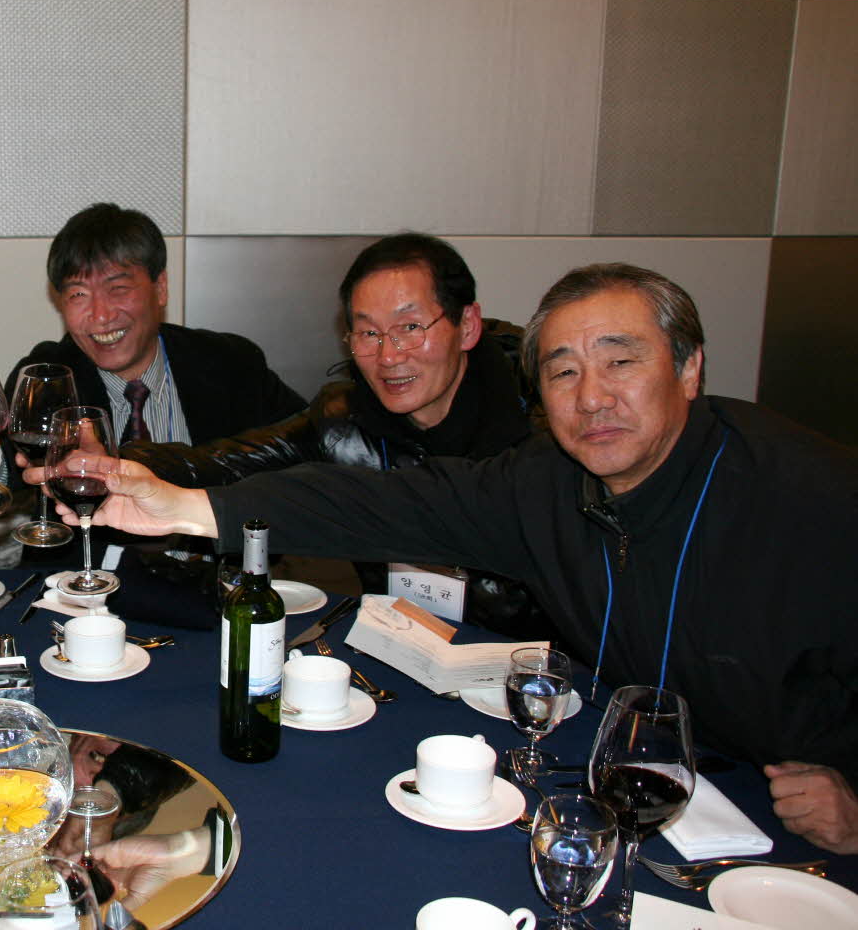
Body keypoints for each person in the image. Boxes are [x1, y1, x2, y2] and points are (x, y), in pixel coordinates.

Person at [53, 263, 858, 854]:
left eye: (621, 361)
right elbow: (377, 504)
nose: (591, 396)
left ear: (689, 367)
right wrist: (181, 507)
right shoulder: (547, 482)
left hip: (786, 813)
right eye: (564, 371)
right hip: (631, 784)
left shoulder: (811, 496)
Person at [122, 233, 543, 636]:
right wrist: (117, 465)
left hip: (531, 665)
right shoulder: (346, 421)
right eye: (369, 333)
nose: (388, 356)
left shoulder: (545, 428)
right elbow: (226, 463)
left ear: (467, 325)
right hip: (399, 647)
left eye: (410, 327)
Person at [0, 202, 304, 525]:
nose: (100, 315)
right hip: (85, 575)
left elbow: (306, 449)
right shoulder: (49, 373)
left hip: (213, 572)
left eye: (118, 288)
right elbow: (8, 465)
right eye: (79, 294)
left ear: (160, 288)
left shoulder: (229, 363)